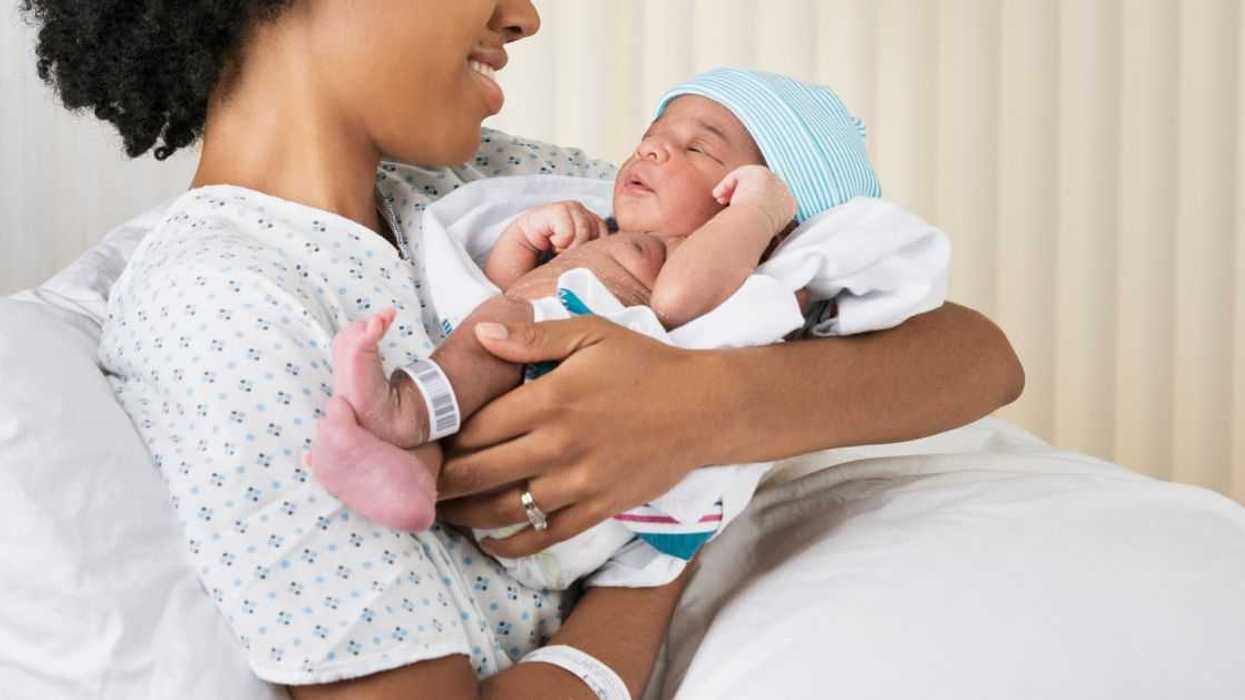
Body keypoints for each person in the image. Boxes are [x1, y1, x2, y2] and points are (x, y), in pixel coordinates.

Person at [22, 1, 1023, 697]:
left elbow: (976, 357)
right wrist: (661, 557)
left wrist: (702, 411)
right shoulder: (224, 306)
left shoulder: (490, 181)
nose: (525, 14)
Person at [312, 68, 951, 592]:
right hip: (515, 385)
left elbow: (677, 301)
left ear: (769, 211)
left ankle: (404, 408)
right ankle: (410, 472)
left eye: (698, 149)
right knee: (498, 332)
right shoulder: (612, 233)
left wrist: (756, 214)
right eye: (652, 135)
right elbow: (501, 291)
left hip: (564, 415)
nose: (651, 149)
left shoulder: (712, 265)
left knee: (502, 334)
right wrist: (523, 242)